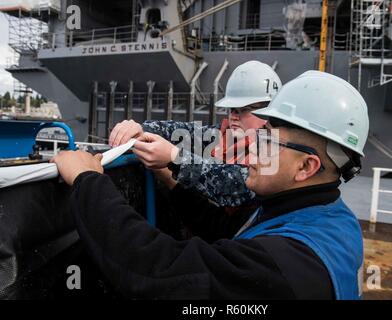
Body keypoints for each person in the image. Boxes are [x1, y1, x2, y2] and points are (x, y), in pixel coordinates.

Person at [52, 70, 369, 299]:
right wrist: (168, 175)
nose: (253, 148)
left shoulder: (283, 266)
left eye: (267, 140)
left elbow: (157, 270)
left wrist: (87, 179)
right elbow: (225, 229)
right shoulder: (323, 215)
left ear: (306, 166)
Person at [109, 60, 282, 207]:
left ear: (267, 114)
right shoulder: (227, 135)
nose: (233, 117)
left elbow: (234, 183)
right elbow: (184, 132)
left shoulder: (277, 153)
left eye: (243, 110)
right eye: (231, 110)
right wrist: (141, 128)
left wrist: (175, 157)